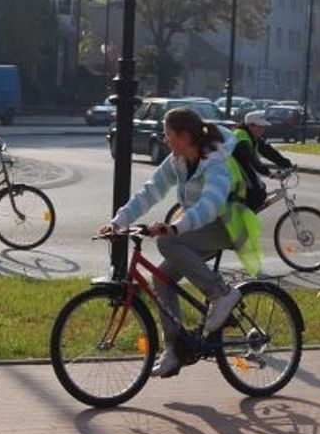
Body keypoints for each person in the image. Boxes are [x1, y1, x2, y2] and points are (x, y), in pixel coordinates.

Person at [99, 108, 261, 379]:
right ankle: (174, 350)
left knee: (167, 242)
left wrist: (175, 227)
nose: (165, 140)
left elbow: (211, 204)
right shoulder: (178, 160)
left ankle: (221, 293)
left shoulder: (215, 161)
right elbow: (150, 191)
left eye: (168, 135)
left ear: (184, 136)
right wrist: (118, 221)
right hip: (198, 227)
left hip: (228, 226)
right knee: (161, 278)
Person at [232, 110, 294, 207]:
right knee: (258, 194)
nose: (262, 130)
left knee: (260, 191)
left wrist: (287, 164)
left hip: (240, 172)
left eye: (263, 127)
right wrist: (269, 173)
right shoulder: (241, 137)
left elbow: (269, 152)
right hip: (234, 174)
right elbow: (253, 161)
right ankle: (242, 219)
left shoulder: (252, 136)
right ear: (250, 126)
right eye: (260, 126)